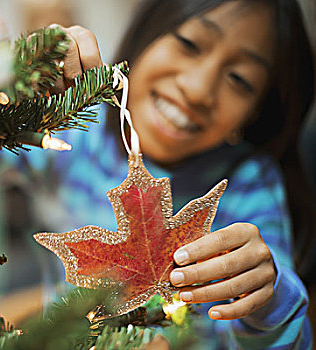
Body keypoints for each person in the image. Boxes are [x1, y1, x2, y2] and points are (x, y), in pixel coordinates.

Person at [42, 0, 314, 348]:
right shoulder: (70, 135)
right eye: (189, 44)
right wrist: (19, 74)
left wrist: (270, 299)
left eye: (239, 79)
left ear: (258, 108)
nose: (198, 89)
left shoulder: (249, 183)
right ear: (147, 32)